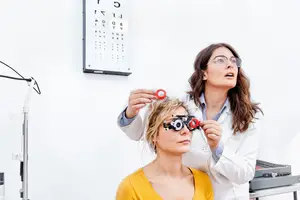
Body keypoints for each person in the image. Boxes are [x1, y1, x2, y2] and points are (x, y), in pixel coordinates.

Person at [117, 43, 263, 200]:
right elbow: (143, 132)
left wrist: (217, 149)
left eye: (234, 61)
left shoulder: (249, 116)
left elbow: (246, 173)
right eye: (220, 60)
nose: (230, 65)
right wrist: (131, 112)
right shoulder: (182, 105)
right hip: (188, 192)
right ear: (204, 73)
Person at [116, 98, 214, 200]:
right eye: (177, 124)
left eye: (188, 124)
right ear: (154, 135)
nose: (185, 131)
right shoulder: (131, 187)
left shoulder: (203, 182)